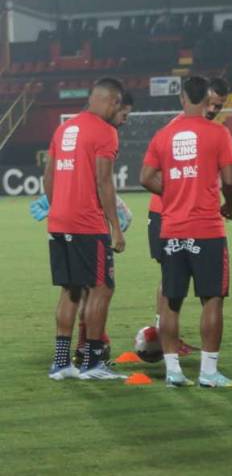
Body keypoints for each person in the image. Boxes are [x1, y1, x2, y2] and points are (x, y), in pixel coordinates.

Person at [140, 76, 232, 388]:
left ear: (183, 98)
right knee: (212, 300)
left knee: (171, 300)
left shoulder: (164, 135)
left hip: (171, 229)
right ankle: (209, 373)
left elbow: (145, 177)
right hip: (207, 229)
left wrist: (170, 194)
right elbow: (230, 180)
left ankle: (173, 373)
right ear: (206, 98)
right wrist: (229, 205)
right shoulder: (218, 133)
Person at [45, 77, 127, 381]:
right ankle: (93, 363)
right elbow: (104, 181)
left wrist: (58, 209)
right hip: (87, 224)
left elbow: (48, 176)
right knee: (103, 288)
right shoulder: (105, 132)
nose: (117, 109)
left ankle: (61, 363)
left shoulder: (64, 128)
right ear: (108, 100)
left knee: (71, 289)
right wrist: (115, 228)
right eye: (117, 103)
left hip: (60, 221)